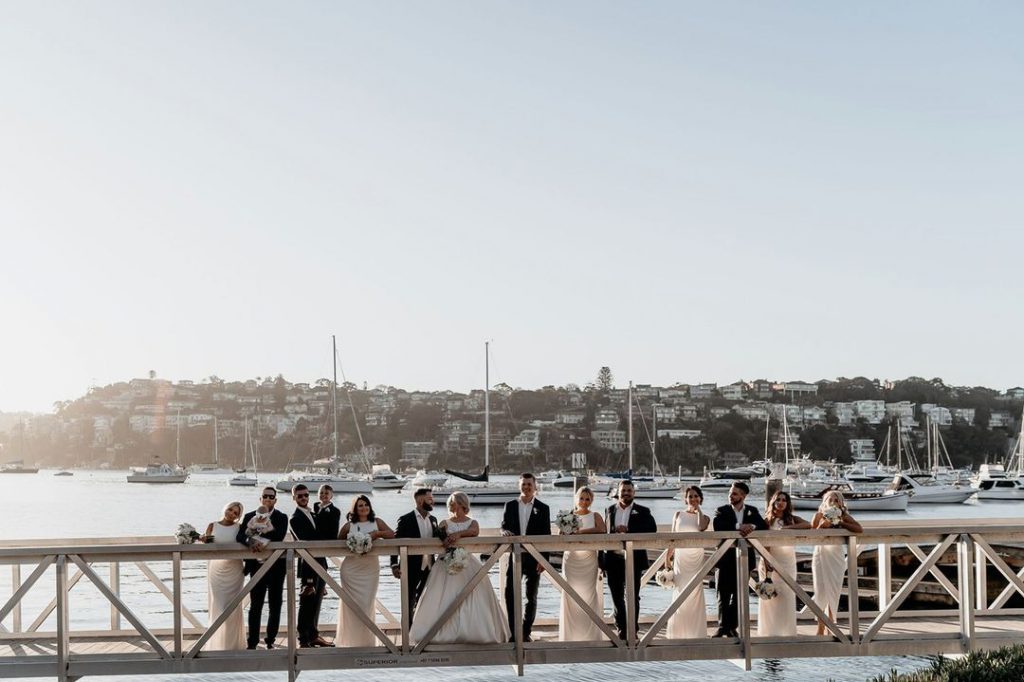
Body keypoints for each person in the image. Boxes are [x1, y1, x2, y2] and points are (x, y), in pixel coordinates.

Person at [410, 492, 510, 644]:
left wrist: (458, 535)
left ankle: (473, 631)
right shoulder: (445, 522)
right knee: (443, 596)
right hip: (446, 564)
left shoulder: (472, 522)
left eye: (454, 502)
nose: (451, 505)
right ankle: (438, 631)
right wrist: (445, 539)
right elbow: (438, 535)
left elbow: (474, 532)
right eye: (450, 503)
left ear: (463, 504)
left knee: (472, 594)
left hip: (467, 562)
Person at [336, 495, 395, 647]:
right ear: (355, 509)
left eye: (366, 505)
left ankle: (366, 640)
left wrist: (377, 534)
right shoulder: (349, 526)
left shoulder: (377, 522)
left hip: (370, 570)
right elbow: (337, 542)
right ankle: (349, 640)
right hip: (351, 570)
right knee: (351, 605)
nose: (364, 508)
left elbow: (393, 535)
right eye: (360, 505)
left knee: (367, 603)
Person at [711, 481, 768, 638]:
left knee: (738, 597)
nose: (731, 495)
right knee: (722, 595)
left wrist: (752, 527)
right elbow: (718, 526)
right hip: (724, 559)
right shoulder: (721, 510)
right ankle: (722, 627)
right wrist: (739, 526)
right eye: (730, 493)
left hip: (743, 559)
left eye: (735, 493)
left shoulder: (752, 511)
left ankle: (731, 627)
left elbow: (763, 526)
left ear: (743, 496)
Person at [603, 479, 658, 642]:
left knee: (633, 595)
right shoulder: (609, 510)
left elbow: (651, 531)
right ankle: (621, 629)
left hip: (634, 558)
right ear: (618, 492)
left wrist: (629, 530)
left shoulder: (644, 511)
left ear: (633, 493)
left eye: (629, 490)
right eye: (623, 490)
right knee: (616, 595)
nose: (626, 493)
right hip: (613, 558)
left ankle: (633, 630)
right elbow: (604, 534)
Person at [500, 472, 551, 642]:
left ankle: (526, 631)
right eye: (523, 484)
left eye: (529, 484)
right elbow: (504, 526)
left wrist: (544, 559)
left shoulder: (543, 508)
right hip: (514, 556)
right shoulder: (510, 505)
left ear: (535, 487)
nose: (526, 487)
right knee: (509, 593)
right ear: (519, 486)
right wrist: (504, 531)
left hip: (534, 557)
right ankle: (514, 632)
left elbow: (546, 536)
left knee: (532, 595)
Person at [236, 487, 289, 649]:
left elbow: (278, 536)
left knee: (275, 603)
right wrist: (252, 542)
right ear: (260, 499)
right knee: (255, 604)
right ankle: (252, 641)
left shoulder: (281, 517)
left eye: (271, 496)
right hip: (255, 566)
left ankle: (270, 640)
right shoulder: (249, 516)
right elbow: (240, 536)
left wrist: (257, 537)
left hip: (276, 565)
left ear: (275, 500)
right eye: (265, 496)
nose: (268, 499)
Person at [757, 490, 811, 637]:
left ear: (787, 504)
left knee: (787, 596)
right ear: (773, 502)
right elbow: (764, 540)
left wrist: (788, 528)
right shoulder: (767, 520)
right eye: (778, 500)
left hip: (788, 561)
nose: (781, 502)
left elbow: (808, 525)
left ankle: (786, 631)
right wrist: (767, 559)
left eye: (784, 500)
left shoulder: (792, 519)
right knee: (769, 596)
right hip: (770, 560)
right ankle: (769, 631)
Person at [811, 490, 863, 636]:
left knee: (834, 590)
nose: (833, 502)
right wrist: (825, 522)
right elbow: (813, 533)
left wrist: (841, 522)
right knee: (821, 590)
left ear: (841, 502)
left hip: (836, 556)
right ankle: (821, 627)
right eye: (830, 499)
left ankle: (831, 624)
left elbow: (859, 529)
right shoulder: (818, 515)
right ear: (825, 501)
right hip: (821, 554)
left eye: (836, 500)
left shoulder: (844, 516)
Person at [558, 486, 607, 641]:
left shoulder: (595, 516)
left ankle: (590, 634)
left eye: (587, 499)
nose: (584, 502)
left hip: (588, 559)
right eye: (581, 498)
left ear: (591, 501)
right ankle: (570, 634)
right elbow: (561, 535)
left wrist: (580, 532)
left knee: (589, 594)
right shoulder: (568, 516)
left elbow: (602, 530)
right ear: (576, 499)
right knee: (570, 595)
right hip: (571, 559)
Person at [288, 484, 332, 648]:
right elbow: (307, 540)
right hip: (307, 566)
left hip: (321, 563)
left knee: (317, 602)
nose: (304, 498)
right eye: (299, 496)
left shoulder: (314, 513)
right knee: (306, 602)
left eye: (306, 495)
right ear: (294, 498)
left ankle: (314, 635)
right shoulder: (294, 518)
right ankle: (303, 639)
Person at [665, 485, 710, 639]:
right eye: (690, 496)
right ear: (685, 499)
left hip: (696, 558)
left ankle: (695, 631)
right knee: (679, 591)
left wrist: (698, 510)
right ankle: (678, 630)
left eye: (696, 496)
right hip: (681, 559)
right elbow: (673, 538)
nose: (693, 499)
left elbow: (701, 526)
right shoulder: (678, 515)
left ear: (700, 498)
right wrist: (667, 559)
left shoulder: (705, 517)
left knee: (694, 592)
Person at [201, 501, 246, 650]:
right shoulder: (212, 525)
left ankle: (233, 644)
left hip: (234, 570)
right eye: (230, 510)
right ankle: (217, 642)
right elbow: (207, 546)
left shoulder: (239, 528)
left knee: (232, 607)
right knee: (218, 605)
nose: (232, 514)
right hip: (216, 569)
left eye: (236, 513)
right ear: (225, 509)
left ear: (238, 517)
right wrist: (201, 539)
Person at [391, 488, 439, 623]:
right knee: (408, 601)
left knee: (426, 600)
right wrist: (394, 565)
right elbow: (395, 543)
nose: (432, 501)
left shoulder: (433, 520)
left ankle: (422, 631)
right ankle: (407, 635)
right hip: (410, 567)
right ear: (420, 500)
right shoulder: (406, 519)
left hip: (430, 567)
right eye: (430, 499)